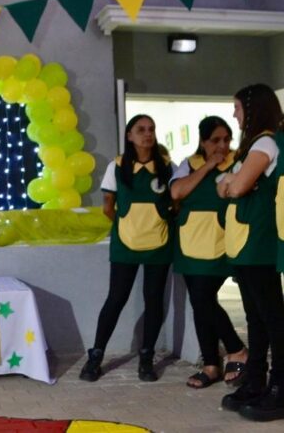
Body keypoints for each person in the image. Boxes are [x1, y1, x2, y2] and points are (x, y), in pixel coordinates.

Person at [80, 114, 173, 382]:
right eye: (141, 129)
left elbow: (176, 202)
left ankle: (146, 358)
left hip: (159, 243)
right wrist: (127, 224)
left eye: (151, 129)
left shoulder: (167, 166)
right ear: (129, 135)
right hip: (125, 243)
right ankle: (96, 356)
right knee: (116, 298)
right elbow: (108, 207)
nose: (147, 134)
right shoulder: (118, 166)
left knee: (153, 300)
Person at [218, 84, 284, 422]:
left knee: (272, 318)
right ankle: (256, 380)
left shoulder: (265, 143)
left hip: (258, 242)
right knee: (255, 318)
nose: (234, 115)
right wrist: (231, 181)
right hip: (244, 244)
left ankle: (280, 385)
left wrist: (234, 181)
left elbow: (237, 186)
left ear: (252, 108)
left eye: (238, 108)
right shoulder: (252, 146)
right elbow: (223, 185)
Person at [170, 116, 247, 389]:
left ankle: (236, 349)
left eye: (227, 139)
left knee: (203, 298)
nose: (222, 145)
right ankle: (211, 364)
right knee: (199, 303)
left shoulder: (238, 162)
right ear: (203, 142)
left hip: (221, 242)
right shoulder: (188, 164)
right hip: (189, 243)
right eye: (215, 140)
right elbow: (177, 192)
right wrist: (208, 166)